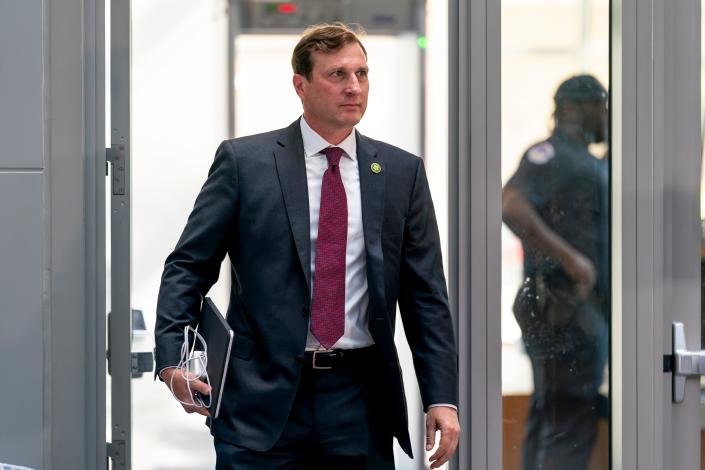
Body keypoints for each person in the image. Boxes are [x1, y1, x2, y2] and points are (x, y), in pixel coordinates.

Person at [154, 22, 460, 469]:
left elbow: (425, 296)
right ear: (301, 84)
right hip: (260, 399)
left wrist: (442, 397)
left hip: (359, 401)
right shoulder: (246, 164)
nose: (354, 86)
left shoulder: (400, 173)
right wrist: (173, 361)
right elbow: (188, 266)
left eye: (362, 73)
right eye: (338, 74)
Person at [502, 75, 610, 470]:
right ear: (576, 108)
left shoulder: (587, 160)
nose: (607, 116)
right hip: (560, 308)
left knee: (557, 414)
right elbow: (512, 205)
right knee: (566, 420)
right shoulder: (551, 154)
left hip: (579, 312)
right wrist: (572, 261)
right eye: (602, 106)